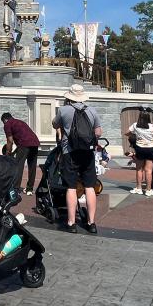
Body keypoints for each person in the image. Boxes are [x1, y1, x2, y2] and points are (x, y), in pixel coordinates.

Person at [52, 84, 102, 234]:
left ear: (69, 97)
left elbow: (55, 124)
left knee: (71, 187)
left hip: (70, 152)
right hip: (87, 152)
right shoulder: (92, 110)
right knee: (89, 186)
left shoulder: (64, 110)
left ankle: (71, 222)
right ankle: (92, 223)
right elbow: (98, 132)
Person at [2, 112, 40, 195]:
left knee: (18, 166)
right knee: (32, 166)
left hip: (24, 144)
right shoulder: (20, 122)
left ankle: (15, 188)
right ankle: (29, 189)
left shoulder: (7, 124)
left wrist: (8, 153)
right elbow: (24, 136)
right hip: (35, 143)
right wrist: (14, 152)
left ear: (5, 120)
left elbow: (10, 140)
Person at [126, 109, 153, 196]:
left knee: (139, 169)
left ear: (140, 117)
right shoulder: (152, 127)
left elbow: (126, 133)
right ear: (148, 117)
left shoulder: (135, 125)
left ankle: (139, 188)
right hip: (150, 149)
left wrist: (135, 135)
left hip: (140, 149)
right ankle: (148, 190)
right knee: (149, 171)